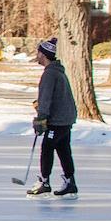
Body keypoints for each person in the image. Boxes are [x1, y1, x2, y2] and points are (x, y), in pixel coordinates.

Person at [29, 36, 78, 196]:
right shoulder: (58, 72)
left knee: (47, 148)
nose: (37, 56)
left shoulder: (50, 74)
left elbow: (46, 98)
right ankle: (70, 181)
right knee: (63, 150)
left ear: (43, 55)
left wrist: (41, 118)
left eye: (38, 53)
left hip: (57, 121)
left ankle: (44, 181)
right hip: (65, 119)